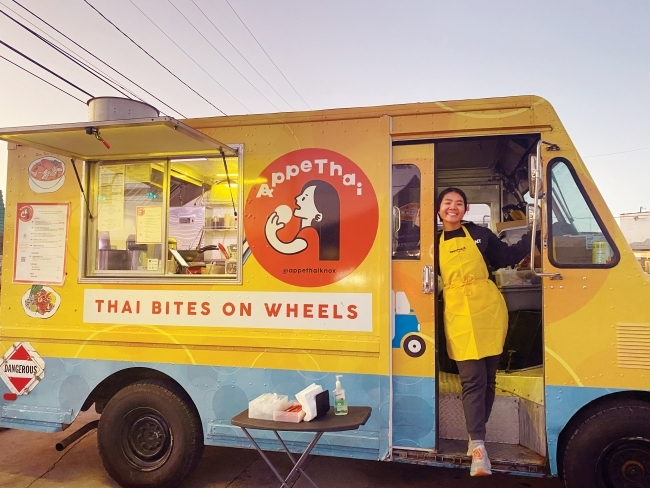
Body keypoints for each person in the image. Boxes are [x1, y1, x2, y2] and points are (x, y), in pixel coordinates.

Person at [437, 187, 531, 477]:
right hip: (458, 314)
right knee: (473, 380)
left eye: (459, 203)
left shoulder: (480, 235)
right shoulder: (429, 241)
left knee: (490, 379)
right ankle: (478, 445)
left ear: (465, 209)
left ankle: (475, 438)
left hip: (488, 310)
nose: (453, 207)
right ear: (439, 209)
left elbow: (508, 256)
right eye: (447, 202)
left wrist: (534, 233)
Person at [265, 180, 340, 260]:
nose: (297, 198)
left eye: (304, 198)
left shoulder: (310, 232)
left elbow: (285, 248)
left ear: (318, 216)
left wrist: (270, 232)